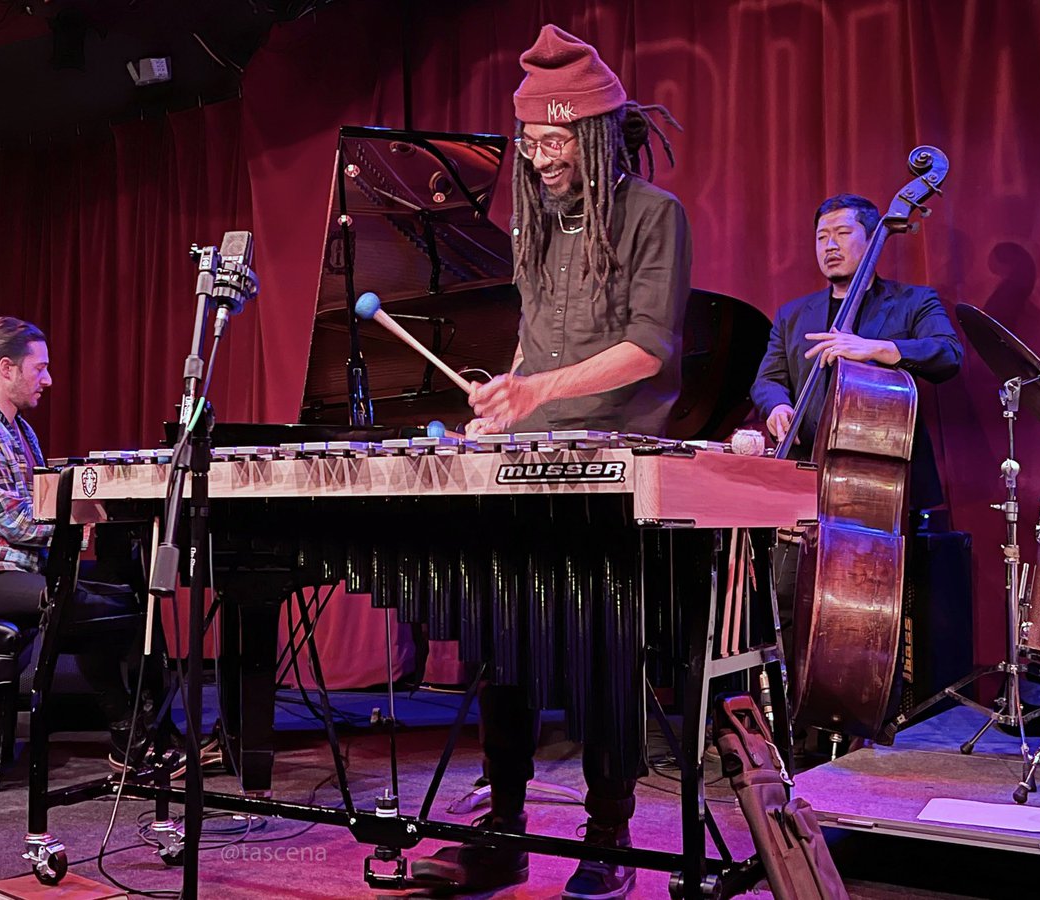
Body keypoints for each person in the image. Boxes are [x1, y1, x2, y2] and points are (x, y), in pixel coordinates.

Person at [413, 25, 690, 900]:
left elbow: (648, 348)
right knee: (504, 649)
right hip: (531, 459)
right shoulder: (534, 222)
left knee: (602, 657)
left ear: (597, 132)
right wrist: (507, 397)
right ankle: (505, 829)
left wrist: (542, 392)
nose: (538, 160)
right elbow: (535, 352)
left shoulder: (655, 216)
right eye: (529, 145)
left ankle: (609, 834)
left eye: (554, 142)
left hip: (615, 468)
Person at [750, 193, 963, 735]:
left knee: (873, 614)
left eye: (843, 234)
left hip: (880, 489)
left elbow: (947, 354)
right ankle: (795, 720)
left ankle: (870, 716)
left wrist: (877, 348)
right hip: (806, 480)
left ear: (873, 240)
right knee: (789, 598)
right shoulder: (793, 314)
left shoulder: (913, 302)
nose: (829, 246)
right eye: (822, 236)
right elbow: (767, 376)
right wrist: (776, 406)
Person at [0, 317, 164, 771]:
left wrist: (89, 517)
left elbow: (41, 506)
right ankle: (129, 738)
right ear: (7, 368)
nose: (48, 380)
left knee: (133, 596)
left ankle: (154, 730)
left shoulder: (18, 430)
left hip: (10, 567)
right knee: (81, 601)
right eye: (41, 368)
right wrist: (83, 527)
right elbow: (13, 520)